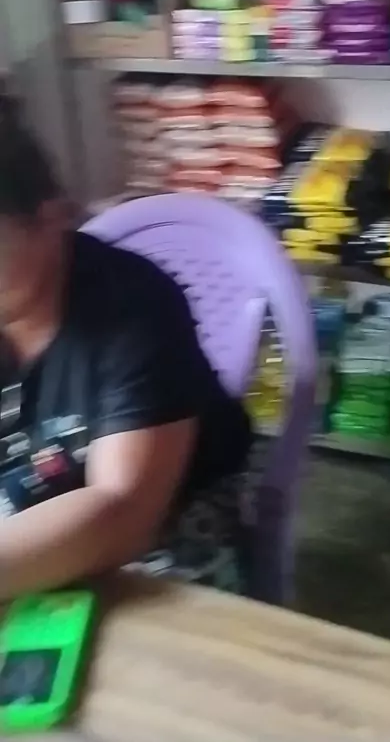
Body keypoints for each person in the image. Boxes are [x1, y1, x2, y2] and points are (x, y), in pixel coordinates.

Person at [0, 95, 253, 600]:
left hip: (164, 515)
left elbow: (122, 511)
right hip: (33, 498)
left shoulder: (136, 308)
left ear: (52, 219)